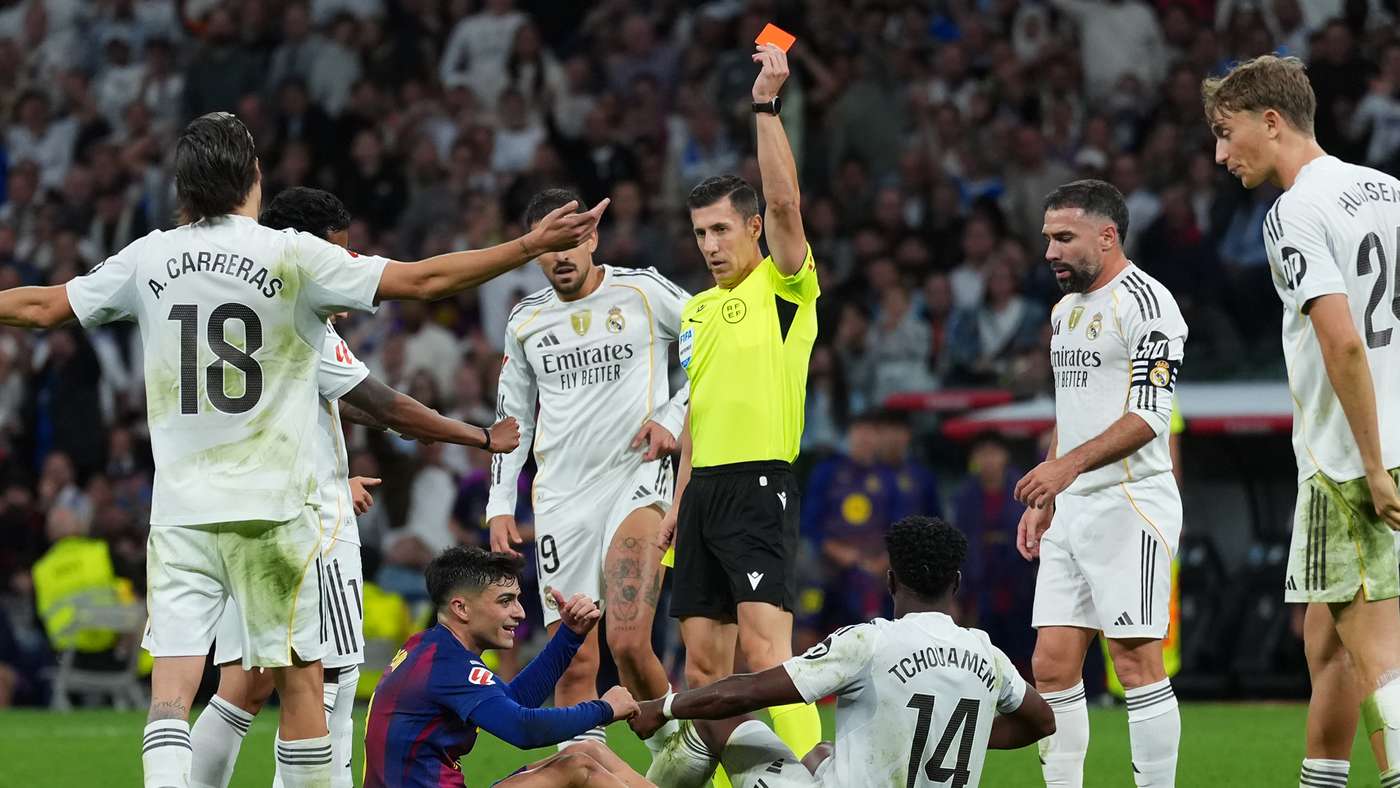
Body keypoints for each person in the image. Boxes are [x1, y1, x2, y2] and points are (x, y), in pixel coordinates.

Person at [0, 111, 606, 788]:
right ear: (252, 180)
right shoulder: (290, 255)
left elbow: (41, 308)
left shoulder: (148, 257)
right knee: (303, 687)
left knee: (171, 693)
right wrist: (526, 246)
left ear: (185, 185)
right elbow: (425, 282)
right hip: (276, 515)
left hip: (181, 512)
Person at [187, 187, 522, 788]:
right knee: (331, 685)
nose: (345, 265)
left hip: (239, 512)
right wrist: (478, 436)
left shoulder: (242, 297)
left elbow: (326, 398)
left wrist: (336, 473)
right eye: (338, 252)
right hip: (309, 525)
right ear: (308, 250)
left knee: (245, 683)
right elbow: (384, 404)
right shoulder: (302, 310)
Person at [1203, 54, 1400, 788]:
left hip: (1351, 462)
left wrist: (1374, 466)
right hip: (1386, 444)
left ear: (1272, 121)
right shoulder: (1388, 190)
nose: (1222, 154)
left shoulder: (1293, 212)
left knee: (1378, 653)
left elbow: (1342, 341)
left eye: (1227, 133)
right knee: (1327, 644)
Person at [658, 42, 823, 768]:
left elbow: (787, 200)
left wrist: (765, 105)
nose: (710, 245)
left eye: (722, 229)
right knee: (703, 674)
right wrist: (677, 497)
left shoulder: (785, 288)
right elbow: (698, 411)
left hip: (760, 486)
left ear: (753, 228)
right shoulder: (695, 312)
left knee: (767, 656)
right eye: (700, 233)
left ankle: (820, 783)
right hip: (703, 497)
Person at [631, 516, 1055, 788]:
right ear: (956, 583)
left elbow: (745, 692)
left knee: (715, 718)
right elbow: (1042, 721)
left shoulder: (871, 642)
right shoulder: (986, 653)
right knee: (822, 752)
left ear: (891, 581)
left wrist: (665, 707)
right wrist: (968, 736)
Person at [487, 187, 689, 751]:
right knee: (574, 666)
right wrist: (501, 503)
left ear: (593, 237)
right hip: (560, 500)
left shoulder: (644, 291)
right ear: (534, 252)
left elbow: (714, 349)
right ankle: (587, 771)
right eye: (550, 245)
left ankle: (680, 759)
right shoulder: (526, 321)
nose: (562, 256)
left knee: (627, 641)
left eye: (574, 240)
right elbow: (511, 418)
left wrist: (673, 415)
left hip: (637, 479)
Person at [1015, 179, 1188, 788]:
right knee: (1052, 665)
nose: (1050, 253)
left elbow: (1147, 417)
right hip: (1074, 508)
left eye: (1064, 238)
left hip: (1130, 504)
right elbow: (1071, 412)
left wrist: (1065, 469)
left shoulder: (1150, 306)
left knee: (1136, 661)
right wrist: (1050, 494)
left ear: (1107, 235)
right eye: (1047, 240)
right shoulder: (1064, 312)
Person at [363, 546, 651, 788]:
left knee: (588, 750)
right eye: (506, 601)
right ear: (461, 608)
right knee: (578, 766)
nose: (520, 612)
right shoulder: (448, 665)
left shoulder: (429, 649)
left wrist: (570, 636)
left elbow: (514, 702)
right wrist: (605, 708)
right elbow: (523, 729)